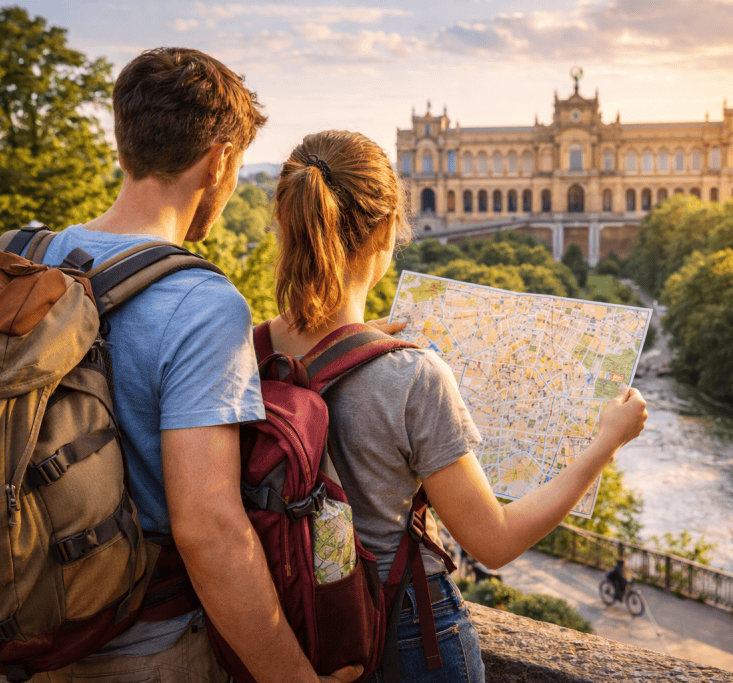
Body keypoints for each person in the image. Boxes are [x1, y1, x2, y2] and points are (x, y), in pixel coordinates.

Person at [265, 130, 649, 682]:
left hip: (301, 616)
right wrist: (604, 445)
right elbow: (495, 542)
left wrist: (349, 344)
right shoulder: (411, 376)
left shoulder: (252, 349)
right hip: (406, 630)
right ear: (386, 230)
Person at [30, 49, 359, 683]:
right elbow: (208, 532)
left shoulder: (32, 256)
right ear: (222, 161)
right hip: (140, 645)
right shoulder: (201, 302)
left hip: (22, 625)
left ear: (126, 143)